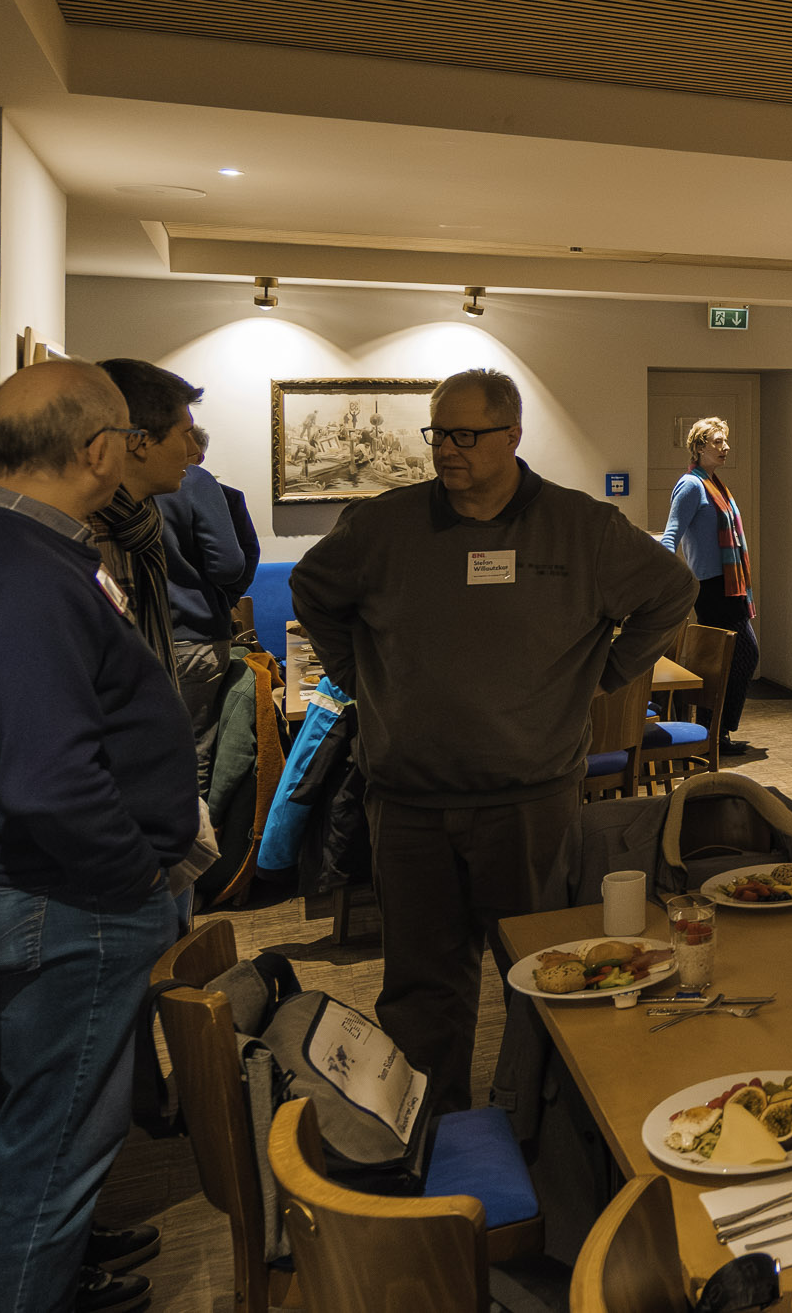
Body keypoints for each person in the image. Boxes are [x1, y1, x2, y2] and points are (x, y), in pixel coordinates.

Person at [290, 368, 696, 1111]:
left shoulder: (581, 527)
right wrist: (362, 678)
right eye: (438, 433)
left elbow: (672, 590)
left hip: (529, 803)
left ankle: (539, 1130)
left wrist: (604, 674)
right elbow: (313, 592)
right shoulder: (383, 527)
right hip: (408, 804)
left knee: (546, 977)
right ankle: (430, 1135)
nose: (447, 449)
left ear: (512, 435)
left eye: (466, 435)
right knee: (420, 992)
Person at [0, 359, 194, 1313]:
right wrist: (139, 880)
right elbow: (51, 782)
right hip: (70, 899)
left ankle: (51, 1268)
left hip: (52, 891)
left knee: (41, 1121)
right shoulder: (24, 572)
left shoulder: (0, 537)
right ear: (98, 449)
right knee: (53, 1146)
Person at [155, 420, 258, 786]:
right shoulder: (196, 481)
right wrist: (220, 600)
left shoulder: (111, 481)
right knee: (194, 752)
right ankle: (196, 822)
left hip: (131, 638)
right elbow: (231, 565)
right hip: (194, 635)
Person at [92, 358, 205, 679]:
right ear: (138, 441)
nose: (193, 450)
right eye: (185, 433)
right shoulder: (89, 539)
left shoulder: (138, 524)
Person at [661, 416, 761, 755]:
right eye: (718, 442)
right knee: (740, 655)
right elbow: (672, 533)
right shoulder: (691, 485)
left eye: (725, 441)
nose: (725, 447)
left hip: (730, 584)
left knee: (725, 660)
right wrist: (661, 580)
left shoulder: (714, 483)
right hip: (712, 587)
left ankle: (714, 732)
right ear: (699, 447)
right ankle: (714, 732)